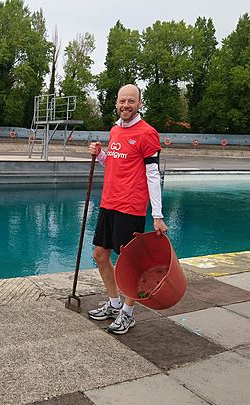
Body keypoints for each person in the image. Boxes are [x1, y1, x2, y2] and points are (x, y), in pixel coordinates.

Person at [87, 84, 168, 334]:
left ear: (139, 104)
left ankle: (128, 312)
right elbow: (115, 163)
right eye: (122, 101)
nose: (126, 105)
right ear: (116, 102)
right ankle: (113, 303)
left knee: (130, 262)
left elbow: (153, 175)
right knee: (100, 254)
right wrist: (100, 155)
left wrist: (157, 214)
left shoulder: (147, 133)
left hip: (130, 207)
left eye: (131, 101)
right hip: (108, 202)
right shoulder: (114, 130)